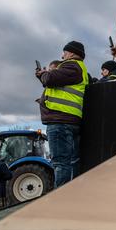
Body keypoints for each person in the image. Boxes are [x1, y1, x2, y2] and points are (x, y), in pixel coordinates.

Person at [35, 41, 89, 187]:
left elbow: (50, 79)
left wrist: (44, 74)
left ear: (71, 53)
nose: (62, 55)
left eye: (64, 52)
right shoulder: (77, 68)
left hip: (61, 121)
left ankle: (59, 200)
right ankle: (69, 196)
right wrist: (43, 77)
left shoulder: (72, 65)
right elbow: (53, 82)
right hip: (68, 120)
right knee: (69, 162)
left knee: (60, 164)